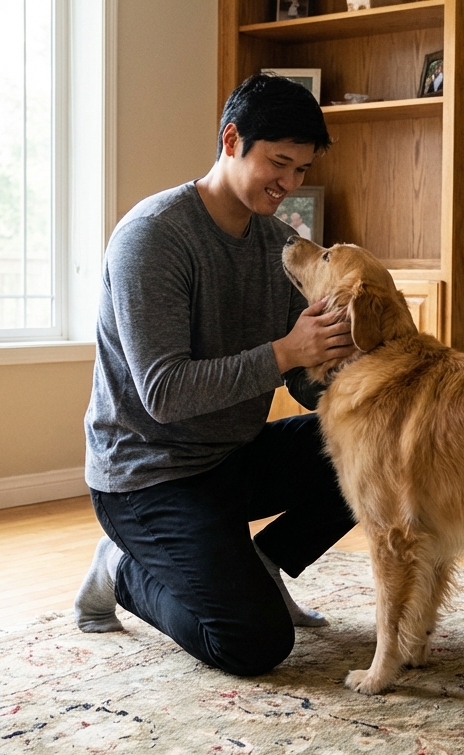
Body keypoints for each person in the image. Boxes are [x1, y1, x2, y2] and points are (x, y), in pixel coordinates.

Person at [74, 74, 358, 677]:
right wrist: (286, 351)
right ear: (232, 139)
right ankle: (121, 569)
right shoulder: (153, 238)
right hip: (149, 476)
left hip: (233, 455)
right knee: (253, 644)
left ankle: (265, 560)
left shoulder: (280, 243)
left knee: (383, 451)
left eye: (302, 170)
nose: (289, 184)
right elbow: (164, 394)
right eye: (278, 163)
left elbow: (303, 379)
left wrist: (358, 374)